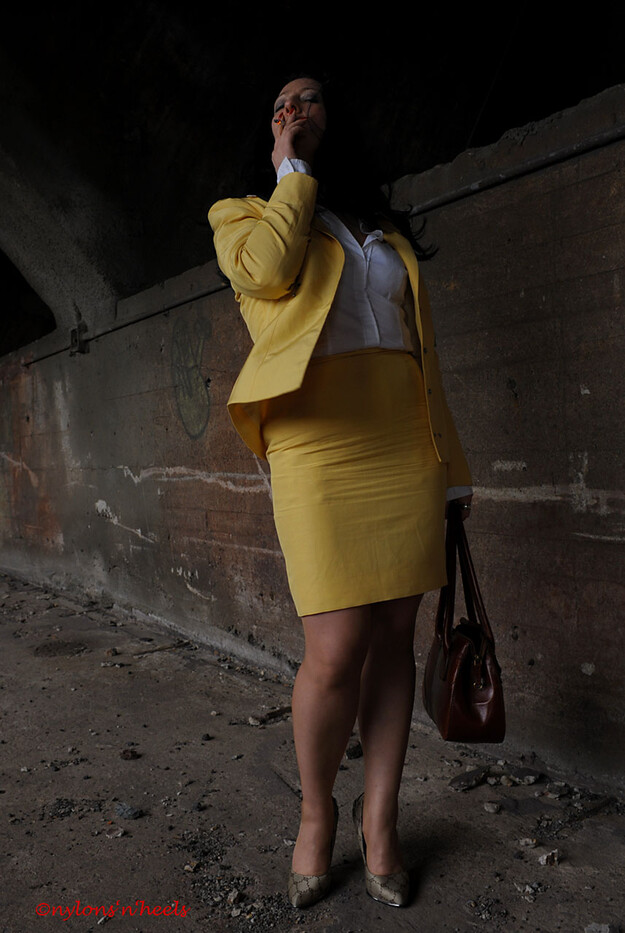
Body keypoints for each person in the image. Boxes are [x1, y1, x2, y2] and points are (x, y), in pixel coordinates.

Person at [208, 72, 473, 909]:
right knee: (334, 650)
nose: (295, 108)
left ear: (337, 117)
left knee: (394, 637)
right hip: (317, 441)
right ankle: (317, 811)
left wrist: (453, 467)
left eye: (310, 98)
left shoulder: (380, 227)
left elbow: (422, 356)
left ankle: (381, 817)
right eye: (280, 103)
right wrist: (290, 169)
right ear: (268, 127)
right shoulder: (245, 216)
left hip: (403, 441)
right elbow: (268, 274)